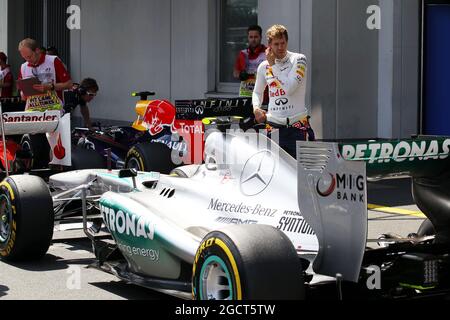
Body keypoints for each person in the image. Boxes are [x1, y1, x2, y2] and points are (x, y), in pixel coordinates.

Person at [252, 25, 314, 158]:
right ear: (269, 45)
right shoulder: (263, 66)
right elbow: (257, 92)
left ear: (287, 42)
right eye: (276, 44)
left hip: (297, 127)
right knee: (272, 173)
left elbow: (290, 88)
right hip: (273, 127)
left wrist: (273, 65)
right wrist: (256, 108)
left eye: (283, 43)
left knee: (300, 174)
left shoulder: (299, 59)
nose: (280, 47)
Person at [17, 38, 72, 108]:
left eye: (29, 56)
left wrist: (50, 87)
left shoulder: (53, 60)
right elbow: (22, 91)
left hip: (53, 108)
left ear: (37, 50)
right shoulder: (23, 67)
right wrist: (23, 94)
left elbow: (69, 84)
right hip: (32, 110)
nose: (28, 60)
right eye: (24, 58)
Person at [233, 25, 267, 98]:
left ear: (260, 37)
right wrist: (240, 75)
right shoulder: (243, 53)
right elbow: (235, 72)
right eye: (251, 37)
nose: (253, 40)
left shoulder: (268, 52)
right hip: (247, 94)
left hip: (264, 94)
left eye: (256, 37)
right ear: (248, 38)